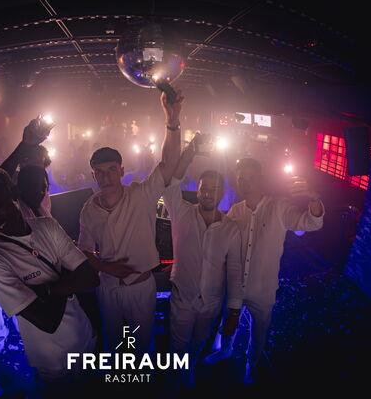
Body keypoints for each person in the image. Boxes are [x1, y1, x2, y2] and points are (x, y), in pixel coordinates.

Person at [77, 90, 184, 355]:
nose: (106, 177)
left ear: (122, 171)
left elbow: (169, 163)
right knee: (112, 343)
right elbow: (84, 249)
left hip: (140, 287)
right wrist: (107, 268)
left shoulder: (141, 195)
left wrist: (172, 120)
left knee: (142, 344)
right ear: (93, 175)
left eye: (112, 170)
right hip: (108, 287)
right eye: (100, 172)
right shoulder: (89, 209)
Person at [204, 157, 324, 384]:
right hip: (235, 287)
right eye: (241, 179)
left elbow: (311, 222)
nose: (245, 183)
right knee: (228, 320)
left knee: (259, 332)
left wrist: (314, 198)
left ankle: (252, 364)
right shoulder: (235, 211)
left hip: (263, 290)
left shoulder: (278, 207)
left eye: (250, 178)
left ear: (260, 179)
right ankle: (225, 350)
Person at [0, 167, 99, 382]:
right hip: (53, 358)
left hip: (85, 335)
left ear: (14, 194)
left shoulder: (47, 226)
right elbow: (47, 321)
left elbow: (90, 277)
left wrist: (46, 290)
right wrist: (67, 278)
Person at [0, 113, 55, 352]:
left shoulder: (41, 190)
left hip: (21, 250)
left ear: (43, 165)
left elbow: (42, 221)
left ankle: (22, 333)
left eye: (35, 160)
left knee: (21, 292)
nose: (28, 162)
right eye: (27, 158)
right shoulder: (8, 174)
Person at [162, 134, 241, 388]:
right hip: (183, 299)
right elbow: (170, 186)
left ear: (222, 193)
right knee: (176, 347)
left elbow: (234, 272)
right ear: (197, 190)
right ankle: (172, 384)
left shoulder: (231, 229)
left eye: (214, 189)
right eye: (204, 188)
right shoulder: (182, 213)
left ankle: (189, 371)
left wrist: (234, 311)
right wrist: (189, 154)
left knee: (198, 343)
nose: (208, 193)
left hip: (211, 303)